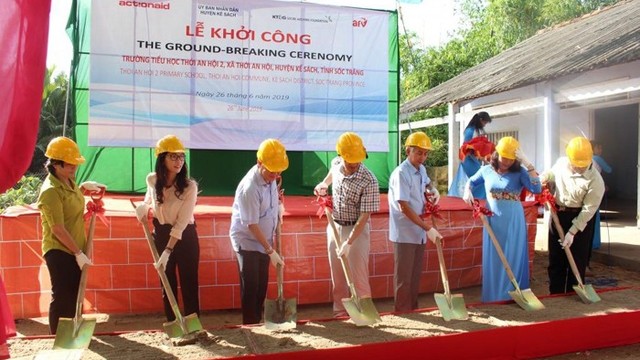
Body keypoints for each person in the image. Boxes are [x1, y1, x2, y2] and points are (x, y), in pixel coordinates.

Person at [462, 136, 541, 302]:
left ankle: (513, 293)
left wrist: (529, 165)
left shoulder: (519, 172)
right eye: (504, 157)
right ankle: (494, 295)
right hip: (492, 221)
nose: (506, 162)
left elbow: (536, 188)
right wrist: (467, 190)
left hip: (513, 221)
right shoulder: (486, 170)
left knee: (512, 255)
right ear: (497, 154)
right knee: (495, 257)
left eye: (511, 159)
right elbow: (471, 181)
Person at [314, 132, 380, 317]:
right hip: (334, 227)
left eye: (357, 161)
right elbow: (330, 176)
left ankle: (364, 313)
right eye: (350, 161)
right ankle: (339, 311)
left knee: (358, 274)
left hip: (356, 229)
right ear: (341, 155)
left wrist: (349, 242)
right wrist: (323, 184)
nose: (354, 165)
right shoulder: (336, 163)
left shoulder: (369, 180)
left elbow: (364, 216)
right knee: (338, 274)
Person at [136, 135, 200, 323]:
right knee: (167, 283)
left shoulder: (189, 187)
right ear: (162, 158)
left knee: (189, 284)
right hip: (161, 234)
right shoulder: (152, 180)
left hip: (185, 237)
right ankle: (173, 323)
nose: (178, 161)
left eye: (181, 157)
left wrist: (167, 251)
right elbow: (150, 200)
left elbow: (181, 224)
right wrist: (144, 206)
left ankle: (194, 325)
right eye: (173, 157)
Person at [37, 136, 92, 334]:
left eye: (75, 163)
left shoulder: (70, 181)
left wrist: (86, 196)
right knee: (62, 295)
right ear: (56, 164)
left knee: (75, 294)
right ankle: (59, 337)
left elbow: (73, 214)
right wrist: (78, 253)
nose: (74, 167)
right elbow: (58, 229)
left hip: (76, 247)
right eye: (70, 164)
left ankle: (72, 334)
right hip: (60, 250)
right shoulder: (50, 191)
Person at [229, 139, 287, 325]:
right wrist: (270, 251)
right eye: (272, 170)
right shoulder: (250, 187)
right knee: (251, 285)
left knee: (262, 286)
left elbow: (272, 195)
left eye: (279, 171)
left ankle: (259, 320)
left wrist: (278, 206)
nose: (276, 174)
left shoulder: (271, 177)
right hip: (247, 241)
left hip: (265, 240)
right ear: (259, 163)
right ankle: (250, 324)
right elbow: (251, 225)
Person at [540, 137, 605, 294]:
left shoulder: (596, 180)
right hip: (558, 215)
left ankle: (573, 291)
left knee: (577, 258)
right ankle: (555, 292)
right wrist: (545, 177)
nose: (579, 168)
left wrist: (572, 231)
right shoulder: (562, 163)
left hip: (580, 218)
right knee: (556, 257)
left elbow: (589, 210)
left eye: (583, 165)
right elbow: (552, 173)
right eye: (576, 164)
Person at [388, 132, 443, 311]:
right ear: (407, 151)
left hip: (419, 230)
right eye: (418, 152)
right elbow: (403, 206)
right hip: (405, 231)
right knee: (404, 277)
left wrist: (433, 189)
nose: (422, 157)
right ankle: (402, 312)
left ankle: (413, 310)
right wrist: (428, 228)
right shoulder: (401, 173)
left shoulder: (421, 169)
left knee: (414, 275)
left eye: (425, 153)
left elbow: (426, 183)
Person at [449, 112, 494, 199]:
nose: (484, 125)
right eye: (484, 123)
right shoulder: (471, 131)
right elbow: (467, 147)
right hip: (469, 160)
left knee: (479, 180)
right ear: (481, 120)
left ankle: (474, 198)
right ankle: (477, 199)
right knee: (480, 179)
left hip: (471, 160)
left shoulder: (473, 129)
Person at [589, 140, 612, 256]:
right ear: (593, 149)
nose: (601, 150)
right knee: (595, 217)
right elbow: (609, 169)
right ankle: (595, 243)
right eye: (599, 148)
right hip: (595, 190)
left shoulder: (585, 159)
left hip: (586, 190)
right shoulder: (597, 159)